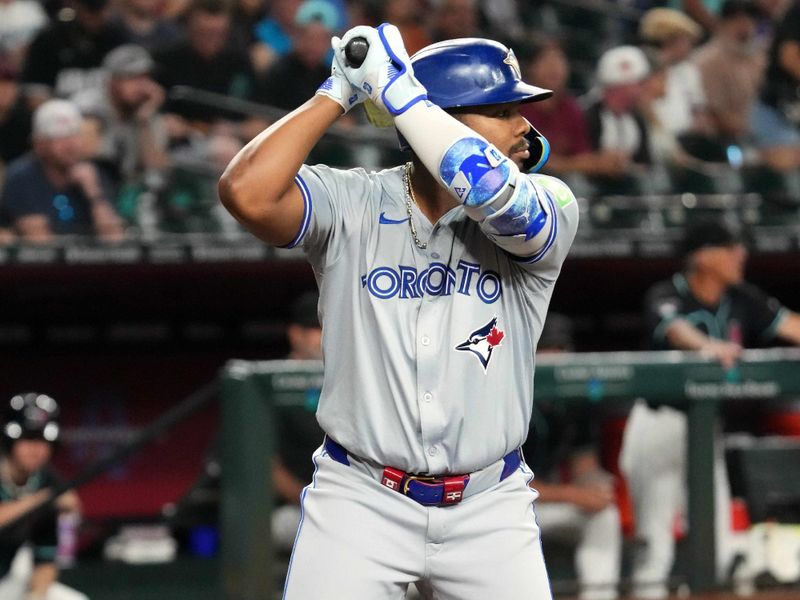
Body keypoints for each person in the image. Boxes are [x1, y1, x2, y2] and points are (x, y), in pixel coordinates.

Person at [219, 23, 579, 598]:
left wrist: (396, 93)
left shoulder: (551, 200)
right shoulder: (354, 200)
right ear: (438, 119)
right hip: (361, 497)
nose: (524, 126)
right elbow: (246, 193)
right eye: (502, 109)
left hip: (489, 504)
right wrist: (337, 92)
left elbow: (489, 194)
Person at [619, 217, 800, 599]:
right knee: (655, 548)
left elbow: (792, 327)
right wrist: (707, 347)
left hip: (704, 430)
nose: (741, 254)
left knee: (720, 544)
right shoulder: (667, 293)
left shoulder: (742, 298)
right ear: (702, 256)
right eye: (729, 247)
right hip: (658, 426)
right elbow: (674, 329)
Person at [526, 313, 622, 600]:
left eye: (561, 349)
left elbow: (585, 465)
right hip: (502, 509)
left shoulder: (571, 399)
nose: (556, 357)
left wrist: (595, 486)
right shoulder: (509, 399)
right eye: (548, 349)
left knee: (605, 515)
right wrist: (573, 494)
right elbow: (505, 482)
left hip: (546, 506)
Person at [0, 393, 88, 600]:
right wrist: (42, 499)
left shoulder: (46, 479)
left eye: (43, 441)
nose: (36, 449)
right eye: (29, 439)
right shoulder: (45, 492)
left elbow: (45, 559)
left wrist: (36, 594)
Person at [0, 99, 124, 242]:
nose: (70, 145)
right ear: (39, 144)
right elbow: (39, 243)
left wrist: (93, 194)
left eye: (74, 135)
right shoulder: (22, 177)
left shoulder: (94, 173)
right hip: (42, 264)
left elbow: (115, 239)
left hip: (92, 263)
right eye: (60, 138)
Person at [270, 291, 325, 553]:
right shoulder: (270, 384)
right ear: (296, 334)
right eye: (316, 328)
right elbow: (265, 466)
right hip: (294, 507)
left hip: (353, 502)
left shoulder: (351, 381)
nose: (325, 335)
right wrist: (312, 500)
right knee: (282, 525)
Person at [72, 44, 169, 188]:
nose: (142, 86)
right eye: (133, 77)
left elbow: (156, 168)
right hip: (89, 189)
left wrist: (144, 121)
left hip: (127, 194)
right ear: (112, 81)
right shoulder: (89, 107)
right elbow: (86, 159)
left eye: (145, 77)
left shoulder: (145, 110)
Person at [20, 0, 125, 104]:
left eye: (100, 10)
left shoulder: (116, 38)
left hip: (108, 115)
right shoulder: (49, 39)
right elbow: (35, 91)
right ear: (75, 5)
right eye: (90, 11)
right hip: (62, 113)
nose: (95, 17)